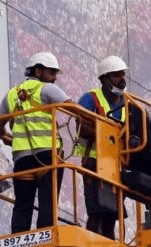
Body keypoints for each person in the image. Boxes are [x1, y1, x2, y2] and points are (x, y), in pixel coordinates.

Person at [0, 52, 72, 233]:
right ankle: (44, 240)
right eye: (51, 73)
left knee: (22, 205)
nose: (54, 79)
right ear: (38, 71)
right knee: (48, 204)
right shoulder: (46, 89)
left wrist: (9, 138)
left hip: (22, 159)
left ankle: (18, 240)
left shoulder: (11, 95)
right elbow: (73, 108)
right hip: (47, 156)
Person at [75, 55, 129, 239]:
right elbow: (80, 126)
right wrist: (107, 131)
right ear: (104, 79)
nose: (122, 79)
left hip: (115, 165)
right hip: (93, 162)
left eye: (123, 75)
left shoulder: (128, 103)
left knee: (111, 216)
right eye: (116, 75)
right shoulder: (90, 98)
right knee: (97, 212)